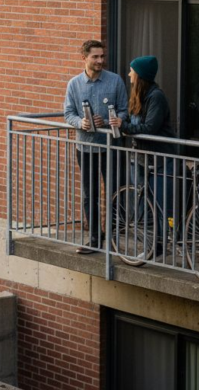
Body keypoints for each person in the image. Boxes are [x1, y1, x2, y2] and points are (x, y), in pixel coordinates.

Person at [64, 40, 128, 254]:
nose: (100, 60)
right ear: (84, 58)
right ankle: (94, 238)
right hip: (86, 147)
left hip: (111, 147)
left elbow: (124, 111)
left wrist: (112, 121)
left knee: (115, 192)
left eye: (102, 56)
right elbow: (68, 113)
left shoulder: (115, 81)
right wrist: (79, 122)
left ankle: (113, 237)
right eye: (95, 57)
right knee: (89, 194)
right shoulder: (74, 84)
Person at [113, 55, 177, 248]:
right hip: (140, 157)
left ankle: (160, 243)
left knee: (158, 203)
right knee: (144, 202)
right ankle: (151, 244)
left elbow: (150, 128)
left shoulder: (156, 96)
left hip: (159, 158)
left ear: (140, 74)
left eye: (132, 70)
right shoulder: (139, 95)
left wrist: (123, 126)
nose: (129, 73)